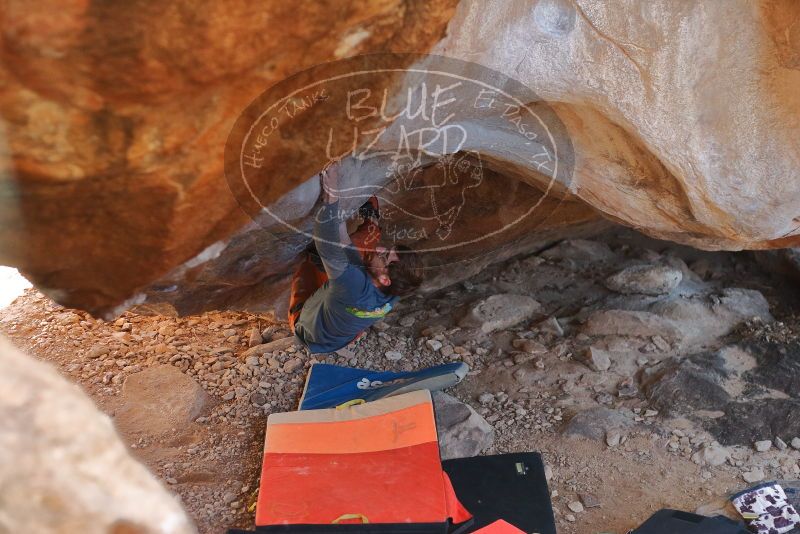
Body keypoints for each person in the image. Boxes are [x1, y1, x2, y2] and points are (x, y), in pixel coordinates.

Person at [288, 161, 424, 354]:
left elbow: (326, 242)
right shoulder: (396, 291)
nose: (382, 249)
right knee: (360, 248)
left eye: (385, 256)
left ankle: (371, 225)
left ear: (385, 279)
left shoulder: (352, 285)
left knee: (315, 260)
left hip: (305, 329)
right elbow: (347, 250)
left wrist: (332, 195)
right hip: (340, 336)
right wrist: (343, 215)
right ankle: (371, 225)